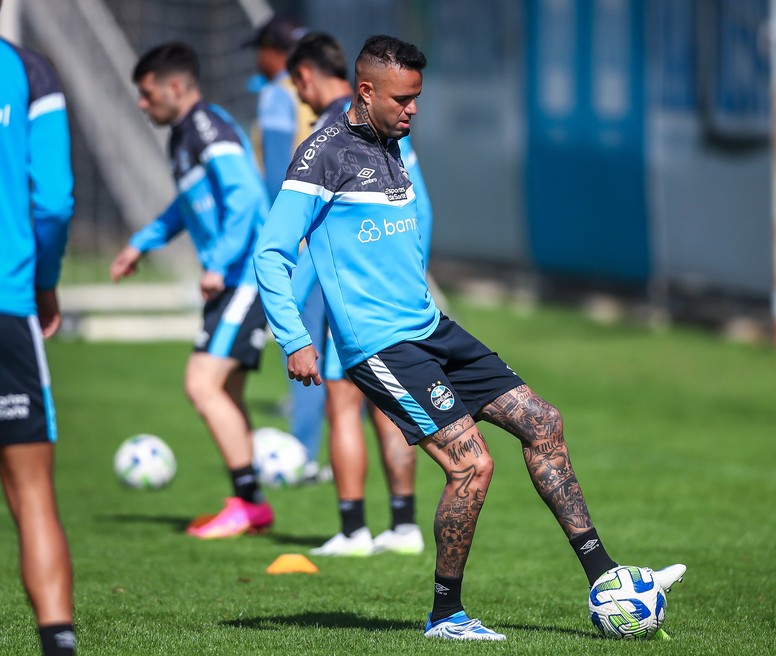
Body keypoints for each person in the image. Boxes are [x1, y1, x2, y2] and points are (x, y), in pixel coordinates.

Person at [254, 34, 686, 640]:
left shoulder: (393, 141)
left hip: (431, 328)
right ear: (366, 91)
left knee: (544, 423)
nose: (413, 110)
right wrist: (295, 338)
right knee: (472, 466)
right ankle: (445, 615)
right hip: (381, 346)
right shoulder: (321, 155)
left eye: (418, 98)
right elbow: (271, 251)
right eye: (403, 98)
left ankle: (604, 577)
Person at [110, 42, 273, 540]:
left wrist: (219, 262)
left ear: (174, 87)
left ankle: (247, 505)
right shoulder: (184, 136)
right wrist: (141, 243)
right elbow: (186, 206)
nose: (142, 103)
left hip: (245, 273)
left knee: (201, 384)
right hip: (232, 275)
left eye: (146, 93)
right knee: (224, 390)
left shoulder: (207, 128)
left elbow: (246, 197)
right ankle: (251, 507)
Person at [285, 31, 431, 557]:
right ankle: (405, 524)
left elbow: (297, 244)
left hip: (349, 295)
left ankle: (352, 531)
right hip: (398, 296)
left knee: (342, 405)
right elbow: (419, 211)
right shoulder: (393, 133)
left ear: (307, 77)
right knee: (393, 409)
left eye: (296, 85)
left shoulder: (334, 138)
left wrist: (293, 316)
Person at [0, 27, 77, 656]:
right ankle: (58, 643)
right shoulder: (28, 72)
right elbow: (52, 201)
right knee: (31, 490)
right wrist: (45, 281)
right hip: (6, 302)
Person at [242, 16, 325, 467]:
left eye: (260, 48)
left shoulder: (278, 93)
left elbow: (279, 173)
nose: (257, 58)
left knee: (303, 344)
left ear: (276, 52)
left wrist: (285, 240)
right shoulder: (339, 96)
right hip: (337, 236)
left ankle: (303, 456)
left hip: (301, 238)